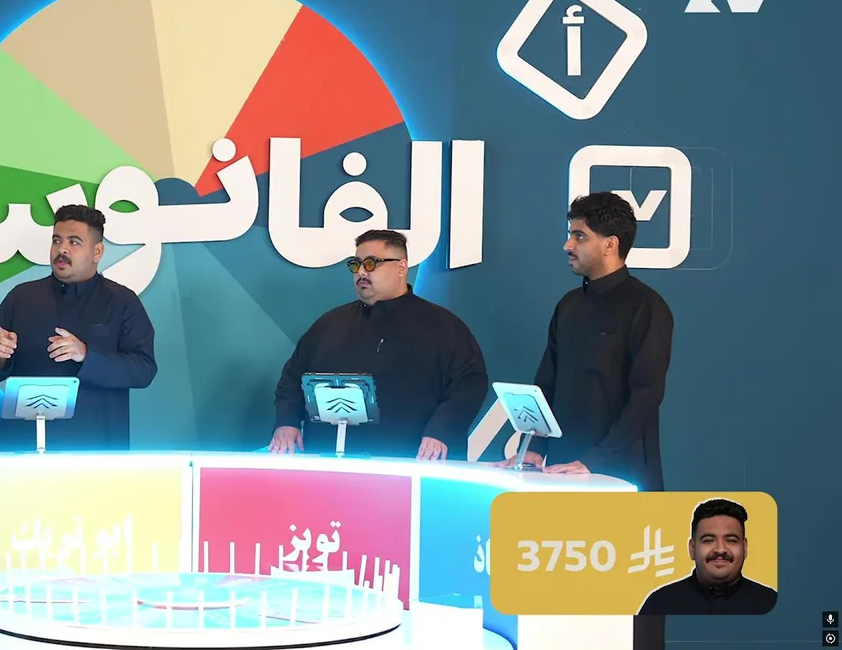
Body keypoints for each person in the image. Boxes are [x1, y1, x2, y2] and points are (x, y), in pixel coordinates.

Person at [497, 192, 673, 650]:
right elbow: (546, 383)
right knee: (567, 610)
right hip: (560, 477)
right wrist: (534, 447)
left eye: (579, 236)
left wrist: (595, 462)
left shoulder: (648, 308)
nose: (567, 245)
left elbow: (646, 397)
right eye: (569, 234)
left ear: (610, 244)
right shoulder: (568, 307)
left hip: (623, 478)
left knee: (628, 608)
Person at [269, 229, 488, 459]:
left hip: (412, 462)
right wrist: (287, 421)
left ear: (401, 267)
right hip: (330, 461)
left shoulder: (444, 327)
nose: (361, 272)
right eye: (356, 265)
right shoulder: (330, 324)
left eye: (371, 263)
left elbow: (469, 384)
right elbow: (293, 377)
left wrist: (441, 431)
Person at [0, 204, 157, 451]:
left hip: (95, 448)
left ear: (97, 251)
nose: (62, 249)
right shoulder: (22, 297)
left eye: (74, 242)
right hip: (22, 446)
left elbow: (144, 370)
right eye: (56, 240)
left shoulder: (122, 301)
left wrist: (86, 355)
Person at [638, 498, 777, 615]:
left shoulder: (769, 602)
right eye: (709, 540)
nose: (720, 549)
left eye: (731, 540)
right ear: (692, 548)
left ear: (745, 547)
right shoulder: (660, 603)